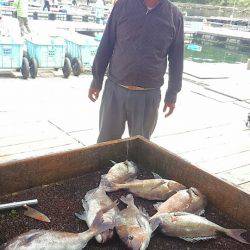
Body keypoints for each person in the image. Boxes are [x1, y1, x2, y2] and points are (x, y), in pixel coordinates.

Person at [89, 0, 184, 143]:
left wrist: (172, 94)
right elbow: (106, 44)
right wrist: (97, 80)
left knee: (140, 149)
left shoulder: (175, 16)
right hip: (115, 91)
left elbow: (177, 59)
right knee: (105, 144)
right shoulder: (122, 6)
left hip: (148, 96)